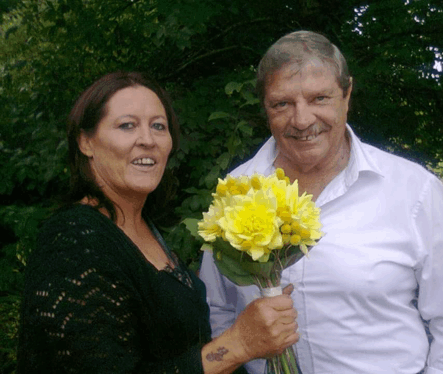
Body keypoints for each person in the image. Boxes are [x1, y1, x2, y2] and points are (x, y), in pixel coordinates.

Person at [199, 31, 443, 374]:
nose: (302, 120)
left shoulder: (412, 190)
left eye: (319, 98)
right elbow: (217, 312)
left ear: (347, 94)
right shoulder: (236, 193)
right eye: (282, 103)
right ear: (264, 106)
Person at [17, 71, 299, 374]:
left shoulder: (146, 231)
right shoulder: (73, 241)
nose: (147, 140)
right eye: (127, 125)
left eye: (158, 126)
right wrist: (237, 344)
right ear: (86, 142)